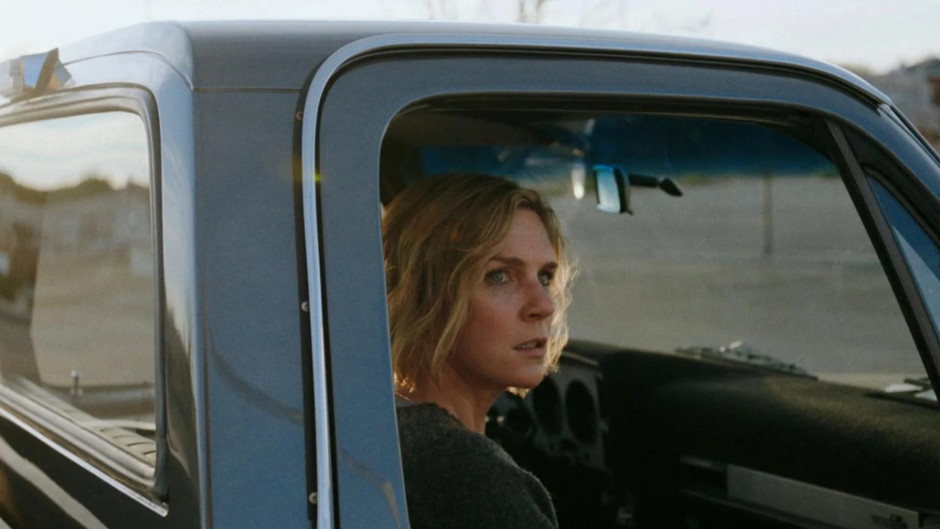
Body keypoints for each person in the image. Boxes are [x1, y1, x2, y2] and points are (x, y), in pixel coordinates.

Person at [383, 173, 572, 529]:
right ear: (425, 296)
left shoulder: (390, 432)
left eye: (545, 277)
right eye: (500, 276)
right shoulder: (465, 472)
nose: (544, 305)